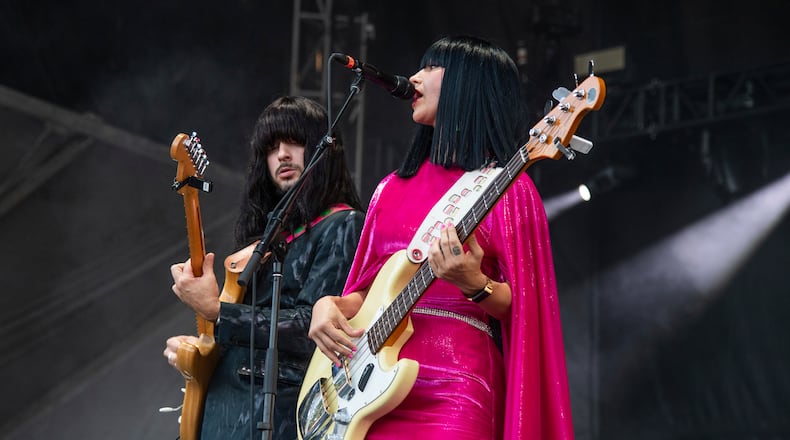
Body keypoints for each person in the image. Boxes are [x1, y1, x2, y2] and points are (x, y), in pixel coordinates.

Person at [308, 36, 575, 439]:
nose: (414, 77)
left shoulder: (509, 190)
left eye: (432, 67)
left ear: (468, 83)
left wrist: (476, 285)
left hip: (457, 387)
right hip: (371, 389)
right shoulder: (389, 190)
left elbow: (529, 310)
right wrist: (329, 306)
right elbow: (368, 294)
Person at [163, 95, 365, 439]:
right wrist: (202, 349)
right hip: (224, 409)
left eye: (294, 142)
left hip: (281, 412)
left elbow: (311, 330)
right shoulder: (270, 240)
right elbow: (246, 329)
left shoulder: (342, 223)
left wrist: (217, 312)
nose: (282, 154)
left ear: (323, 148)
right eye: (271, 147)